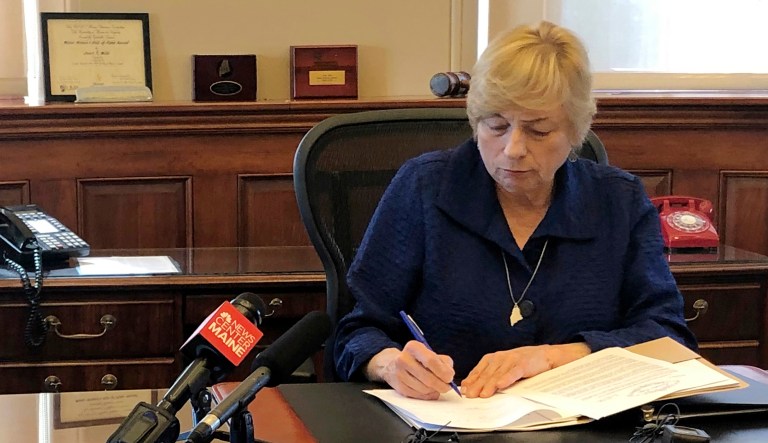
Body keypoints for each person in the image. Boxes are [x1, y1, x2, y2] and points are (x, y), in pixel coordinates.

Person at [333, 21, 697, 400]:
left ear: (575, 131)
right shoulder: (425, 188)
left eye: (538, 131)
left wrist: (557, 357)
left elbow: (669, 337)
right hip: (447, 425)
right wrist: (389, 363)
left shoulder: (617, 202)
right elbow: (356, 331)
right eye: (496, 126)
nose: (512, 149)